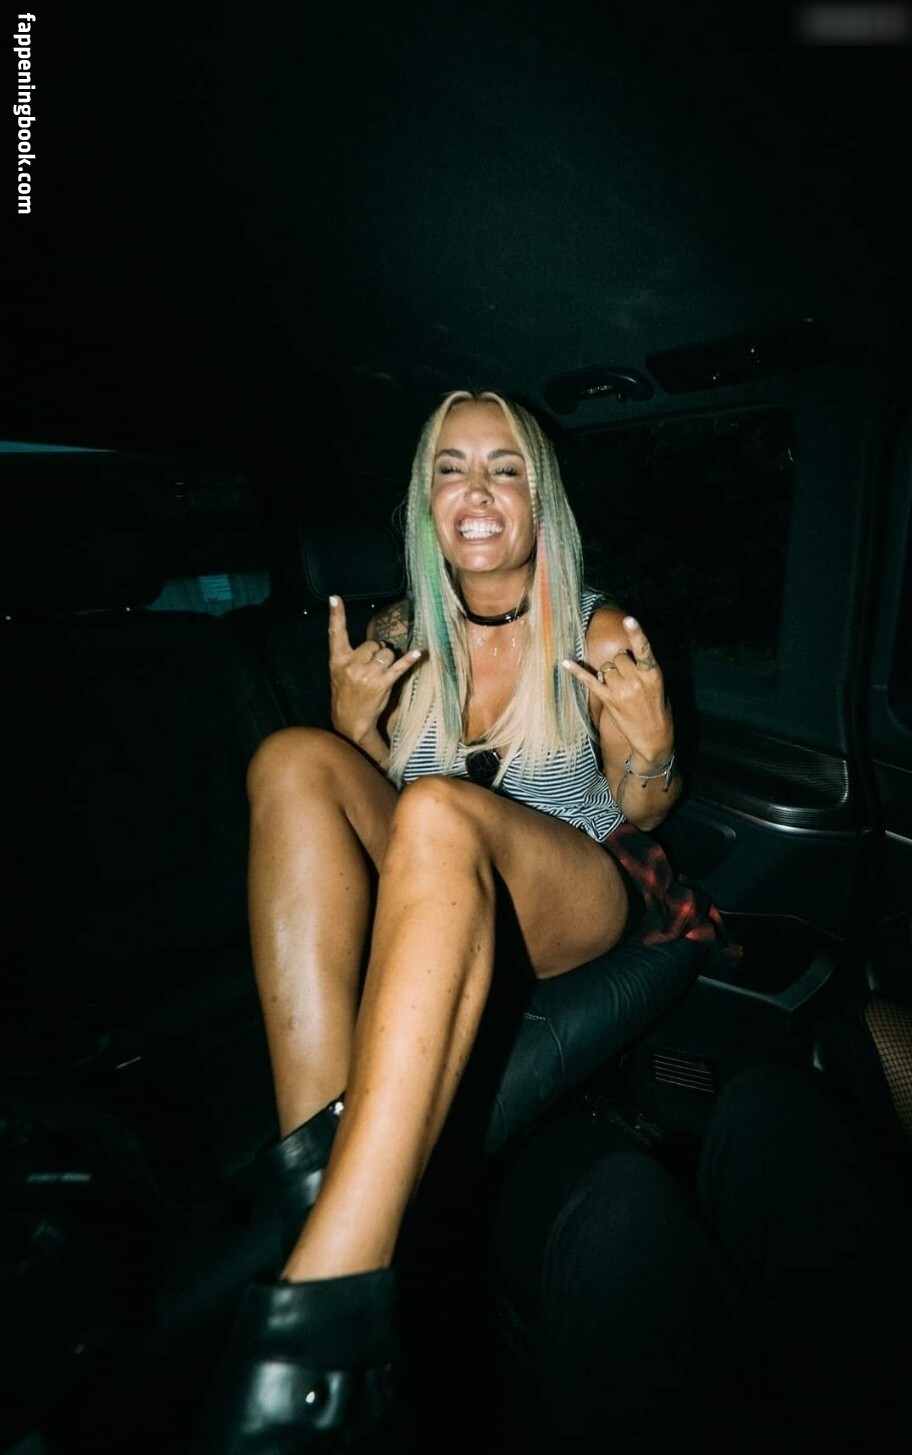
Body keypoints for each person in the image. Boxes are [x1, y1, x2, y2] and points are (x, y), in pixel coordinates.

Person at [196, 388, 711, 1453]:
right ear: (425, 500)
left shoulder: (598, 627)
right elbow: (367, 809)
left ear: (540, 498)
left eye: (504, 467)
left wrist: (656, 750)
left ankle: (326, 1302)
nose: (476, 490)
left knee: (437, 810)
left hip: (571, 889)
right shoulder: (398, 633)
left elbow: (646, 810)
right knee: (292, 759)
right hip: (438, 882)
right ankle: (317, 1177)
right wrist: (353, 732)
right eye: (450, 468)